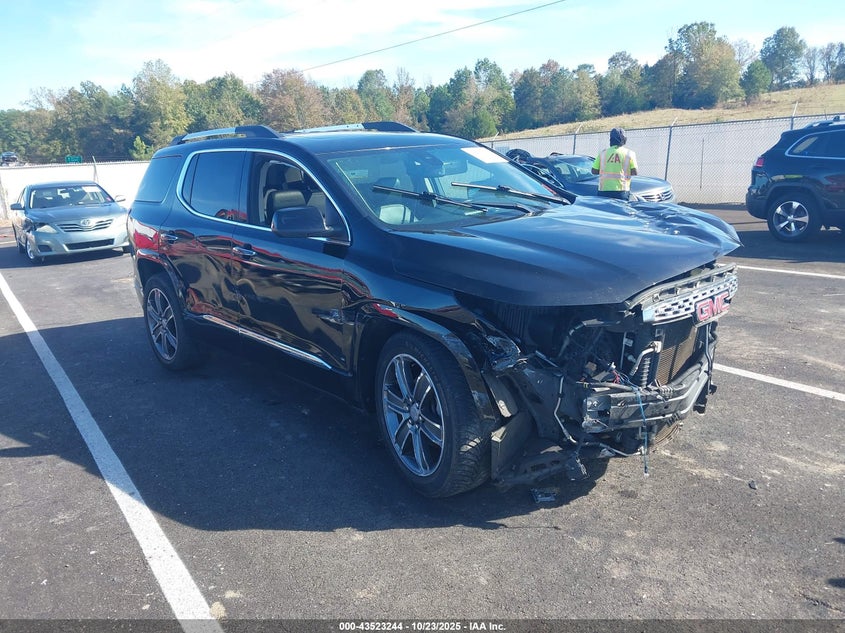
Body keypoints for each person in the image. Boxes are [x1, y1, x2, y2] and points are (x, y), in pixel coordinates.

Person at [591, 127, 637, 200]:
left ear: (611, 140)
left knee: (604, 211)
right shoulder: (630, 153)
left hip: (604, 191)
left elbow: (594, 171)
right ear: (624, 139)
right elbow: (635, 172)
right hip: (622, 190)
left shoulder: (603, 153)